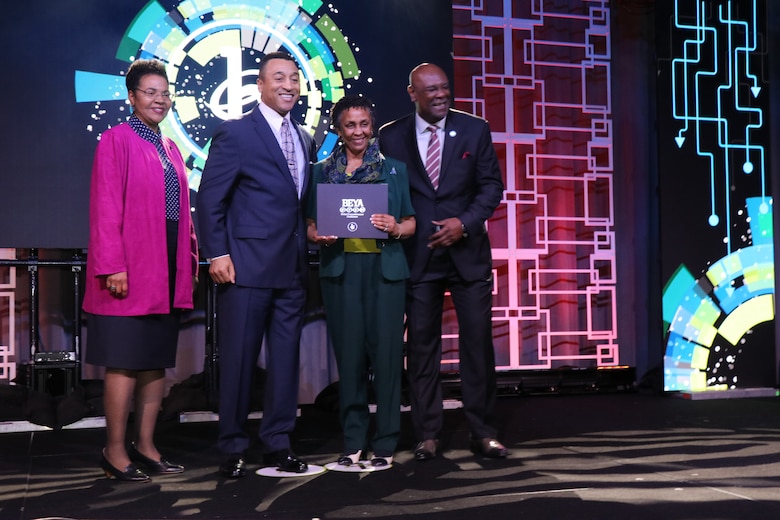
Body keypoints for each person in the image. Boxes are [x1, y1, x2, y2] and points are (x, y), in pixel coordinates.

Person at [196, 51, 316, 477]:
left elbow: (298, 203)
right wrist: (218, 253)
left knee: (285, 362)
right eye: (278, 78)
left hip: (292, 269)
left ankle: (278, 444)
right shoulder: (236, 133)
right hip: (244, 268)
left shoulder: (304, 138)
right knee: (239, 361)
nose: (288, 85)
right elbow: (210, 198)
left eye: (294, 79)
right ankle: (231, 446)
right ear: (260, 86)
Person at [378, 63, 507, 460]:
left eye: (444, 88)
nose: (440, 95)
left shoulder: (474, 129)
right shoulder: (390, 136)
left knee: (477, 347)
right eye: (430, 89)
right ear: (412, 92)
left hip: (467, 256)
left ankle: (483, 432)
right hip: (417, 257)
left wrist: (464, 224)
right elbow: (383, 190)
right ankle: (428, 434)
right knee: (421, 348)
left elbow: (491, 187)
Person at [82, 59, 199, 482]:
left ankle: (146, 446)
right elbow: (106, 206)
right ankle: (114, 451)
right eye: (150, 92)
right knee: (124, 362)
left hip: (165, 268)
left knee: (153, 362)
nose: (160, 99)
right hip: (129, 268)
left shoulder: (169, 147)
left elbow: (181, 215)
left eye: (165, 93)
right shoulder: (116, 140)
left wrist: (187, 261)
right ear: (131, 97)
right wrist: (113, 264)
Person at [306, 95, 415, 467]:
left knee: (386, 360)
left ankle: (385, 441)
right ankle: (353, 440)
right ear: (338, 129)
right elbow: (310, 224)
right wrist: (317, 234)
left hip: (385, 274)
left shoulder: (395, 169)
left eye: (364, 124)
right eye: (350, 125)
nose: (358, 132)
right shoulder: (321, 170)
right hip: (341, 272)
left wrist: (396, 227)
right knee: (349, 359)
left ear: (373, 126)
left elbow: (411, 222)